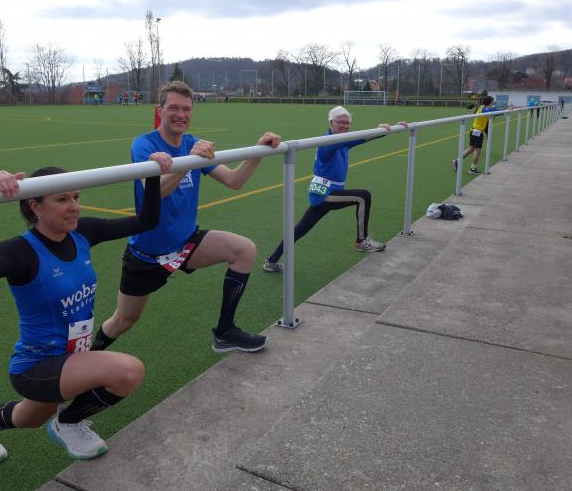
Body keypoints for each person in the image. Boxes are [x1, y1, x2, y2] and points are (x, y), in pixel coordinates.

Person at [0, 153, 172, 464]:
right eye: (62, 199)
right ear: (35, 206)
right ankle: (67, 421)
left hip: (73, 358)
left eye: (76, 197)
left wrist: (153, 173)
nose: (75, 206)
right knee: (128, 371)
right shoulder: (19, 251)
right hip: (36, 367)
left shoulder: (82, 233)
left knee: (27, 418)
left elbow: (146, 221)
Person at [90, 81, 282, 355]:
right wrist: (188, 163)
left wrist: (257, 151)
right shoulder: (144, 144)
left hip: (186, 243)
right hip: (148, 253)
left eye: (186, 109)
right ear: (160, 110)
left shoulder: (192, 143)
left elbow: (234, 181)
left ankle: (225, 332)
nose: (180, 114)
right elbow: (156, 191)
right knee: (124, 321)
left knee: (244, 250)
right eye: (173, 108)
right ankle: (88, 358)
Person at [262, 106, 405, 273]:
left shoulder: (342, 141)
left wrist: (388, 129)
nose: (345, 126)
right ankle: (362, 241)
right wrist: (379, 131)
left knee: (300, 229)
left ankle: (271, 261)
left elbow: (356, 140)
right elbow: (355, 139)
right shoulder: (328, 142)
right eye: (341, 122)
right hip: (326, 194)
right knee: (363, 197)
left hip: (322, 192)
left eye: (348, 123)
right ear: (331, 123)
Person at [453, 95, 497, 175]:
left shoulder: (483, 107)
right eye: (492, 101)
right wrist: (503, 111)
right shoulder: (484, 109)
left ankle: (458, 161)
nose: (493, 103)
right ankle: (472, 168)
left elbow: (493, 111)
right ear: (490, 102)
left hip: (475, 131)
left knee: (471, 149)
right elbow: (492, 112)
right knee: (477, 151)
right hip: (477, 132)